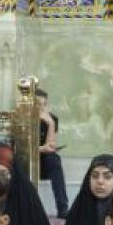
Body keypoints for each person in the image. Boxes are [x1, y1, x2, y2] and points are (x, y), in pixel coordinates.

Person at [35, 87, 69, 218]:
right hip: (26, 160)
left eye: (44, 104)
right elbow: (21, 149)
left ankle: (63, 208)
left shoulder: (52, 118)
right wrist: (41, 149)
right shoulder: (22, 118)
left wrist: (50, 123)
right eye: (38, 104)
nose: (41, 108)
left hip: (43, 162)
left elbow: (50, 145)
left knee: (54, 159)